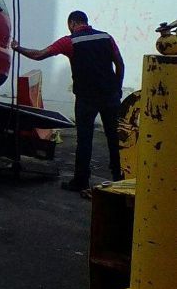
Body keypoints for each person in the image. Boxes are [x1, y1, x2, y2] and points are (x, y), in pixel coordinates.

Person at [11, 10, 125, 191]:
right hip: (110, 96)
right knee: (114, 138)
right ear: (85, 22)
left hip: (86, 99)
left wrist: (18, 48)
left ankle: (80, 181)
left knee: (85, 140)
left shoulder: (69, 41)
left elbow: (40, 55)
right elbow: (120, 63)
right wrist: (117, 88)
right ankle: (120, 179)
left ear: (72, 23)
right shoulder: (106, 37)